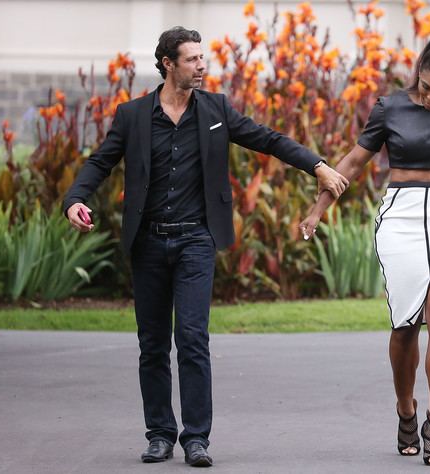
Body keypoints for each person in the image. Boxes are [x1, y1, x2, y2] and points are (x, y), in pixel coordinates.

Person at [63, 26, 348, 467]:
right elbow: (100, 161)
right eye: (193, 59)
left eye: (202, 57)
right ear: (168, 64)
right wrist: (76, 199)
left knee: (192, 338)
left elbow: (268, 138)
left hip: (196, 238)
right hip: (149, 241)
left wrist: (318, 166)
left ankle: (197, 439)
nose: (202, 65)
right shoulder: (133, 115)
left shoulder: (216, 109)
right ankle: (160, 434)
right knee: (153, 343)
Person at [299, 34, 430, 466]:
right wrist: (318, 210)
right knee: (405, 322)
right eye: (425, 86)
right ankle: (405, 408)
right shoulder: (389, 107)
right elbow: (352, 163)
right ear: (418, 74)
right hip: (400, 216)